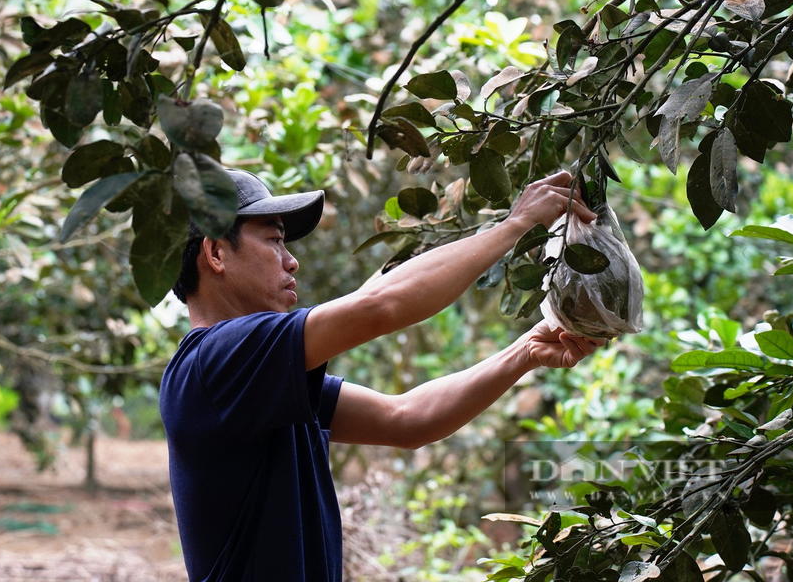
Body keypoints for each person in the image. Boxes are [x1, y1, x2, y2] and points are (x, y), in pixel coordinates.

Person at [159, 168, 603, 581]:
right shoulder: (218, 360)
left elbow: (406, 419)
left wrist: (524, 352)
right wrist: (515, 224)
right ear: (216, 252)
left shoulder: (253, 377)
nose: (291, 261)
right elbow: (379, 307)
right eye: (274, 241)